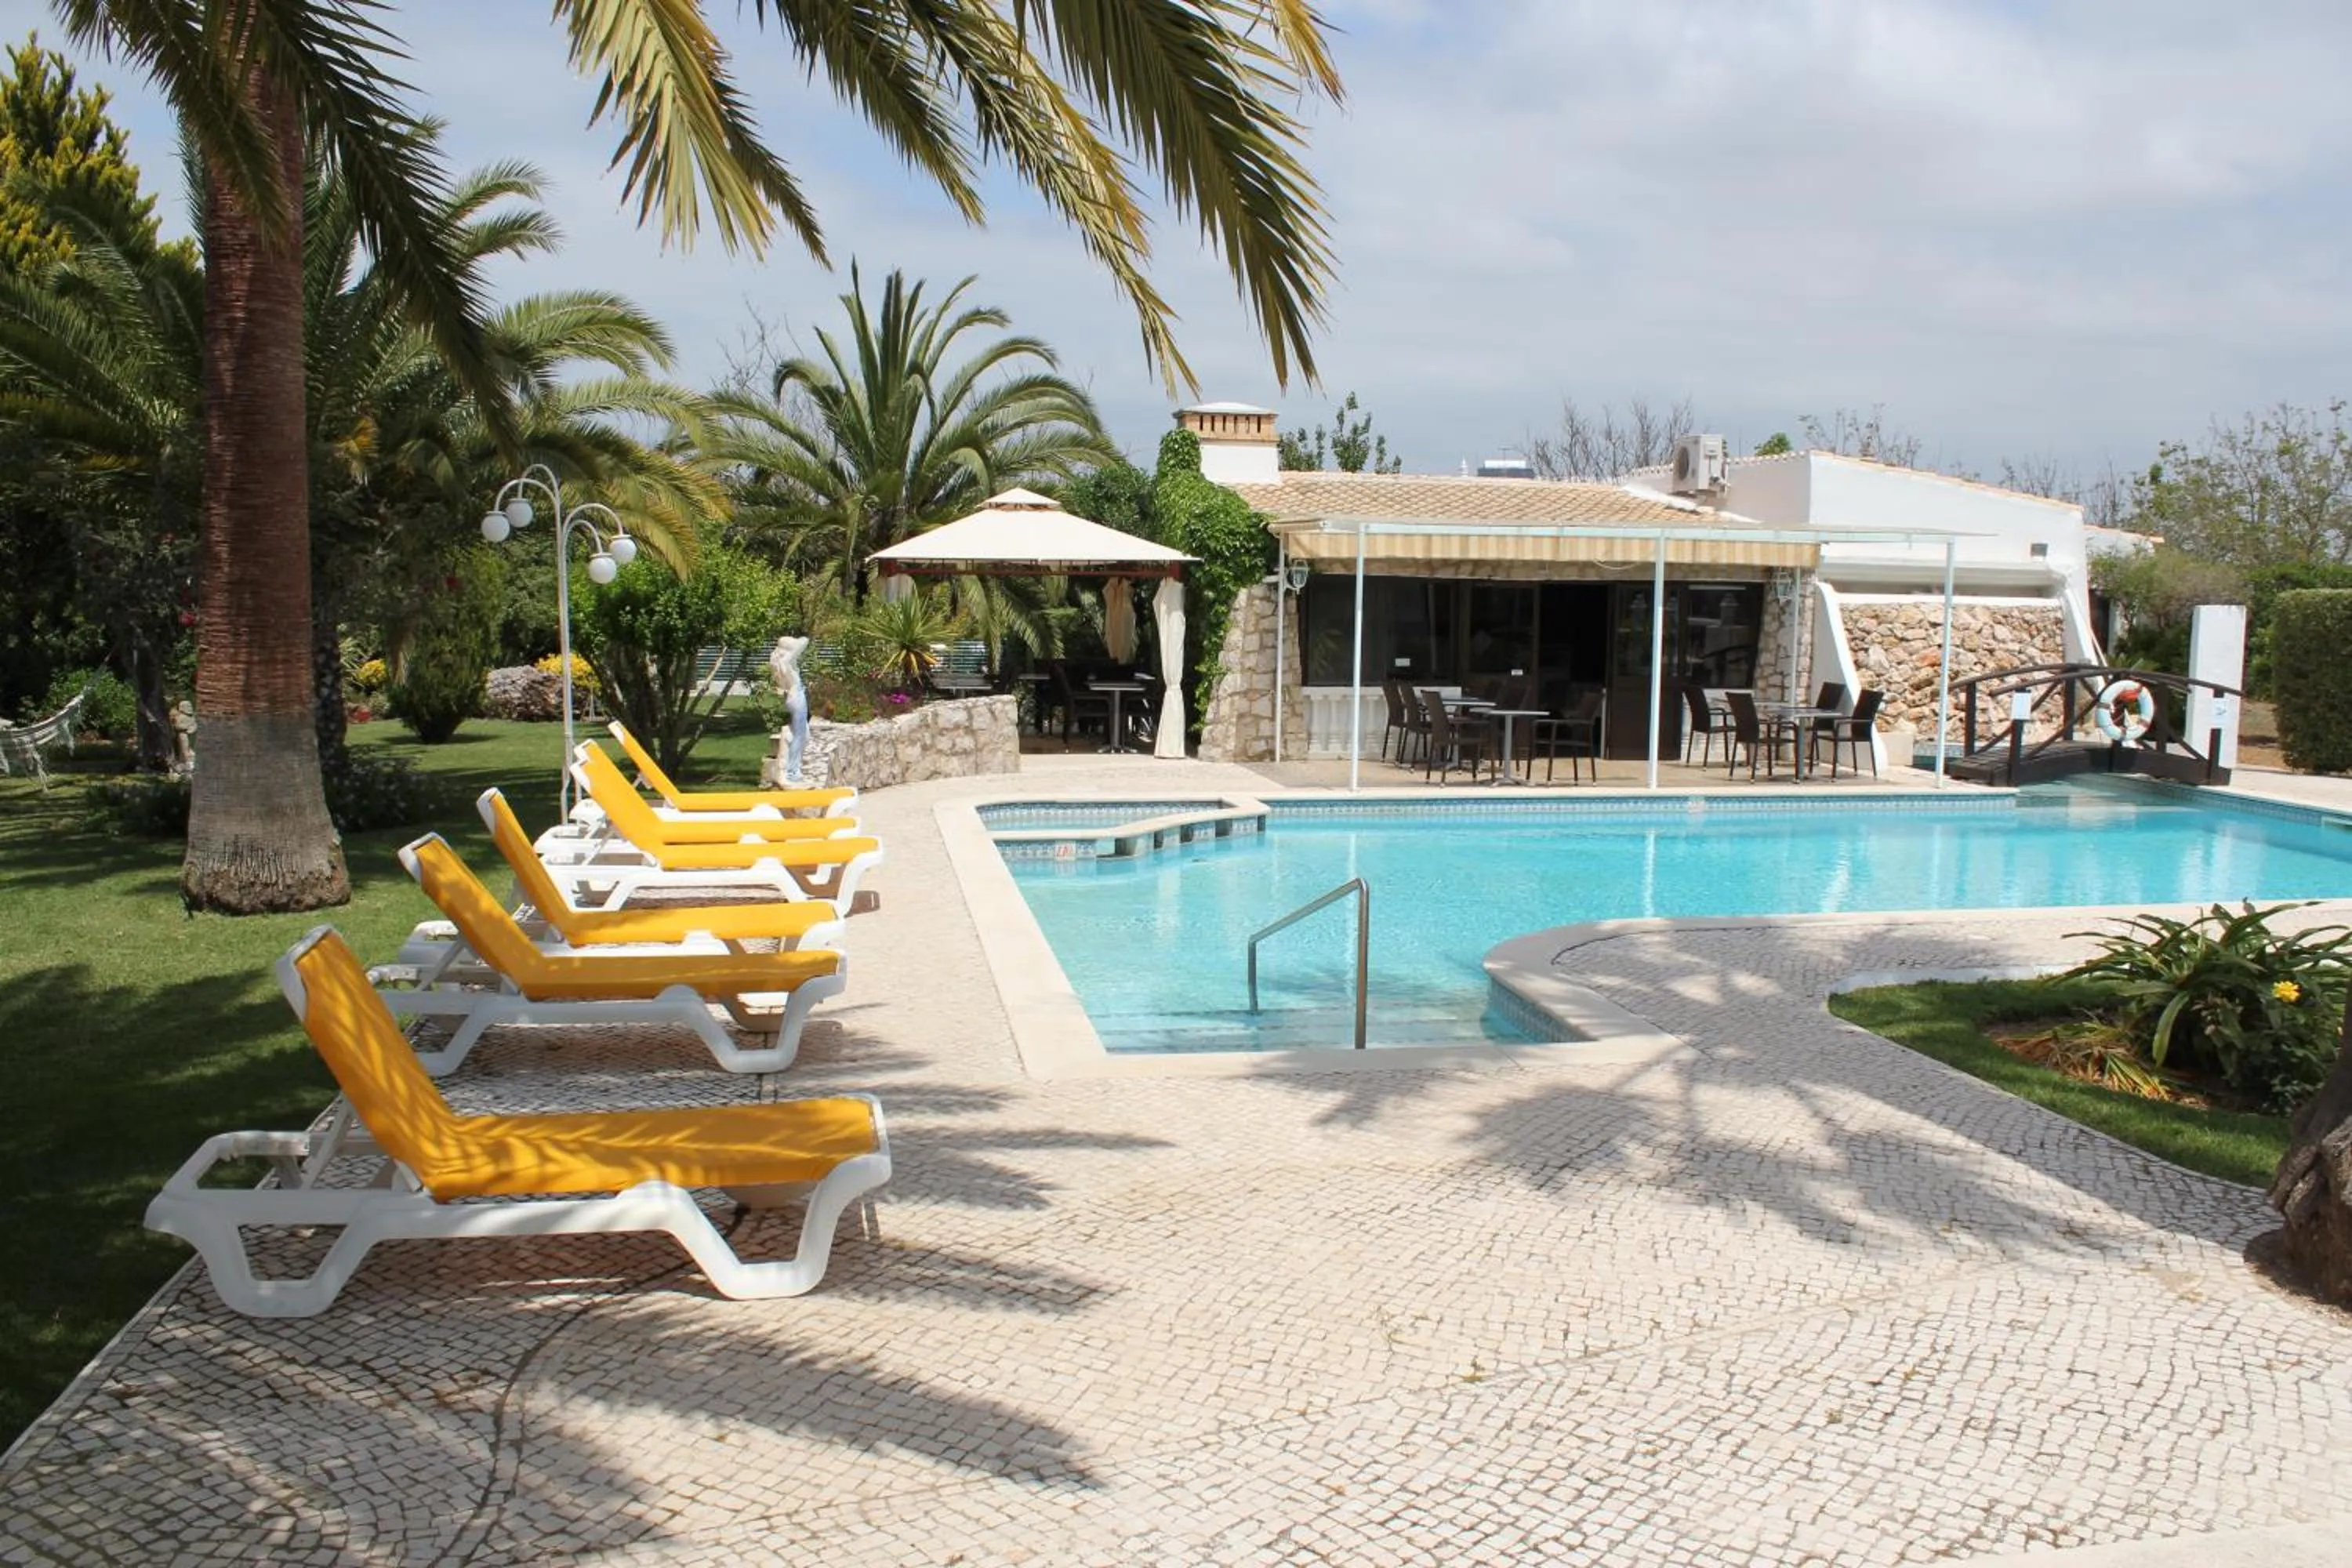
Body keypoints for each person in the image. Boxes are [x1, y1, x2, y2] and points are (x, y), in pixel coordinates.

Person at [770, 634, 811, 782]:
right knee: (799, 736)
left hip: (794, 697)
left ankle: (792, 769)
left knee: (804, 733)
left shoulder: (783, 663)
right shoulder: (786, 662)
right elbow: (805, 641)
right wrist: (792, 646)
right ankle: (792, 771)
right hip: (797, 698)